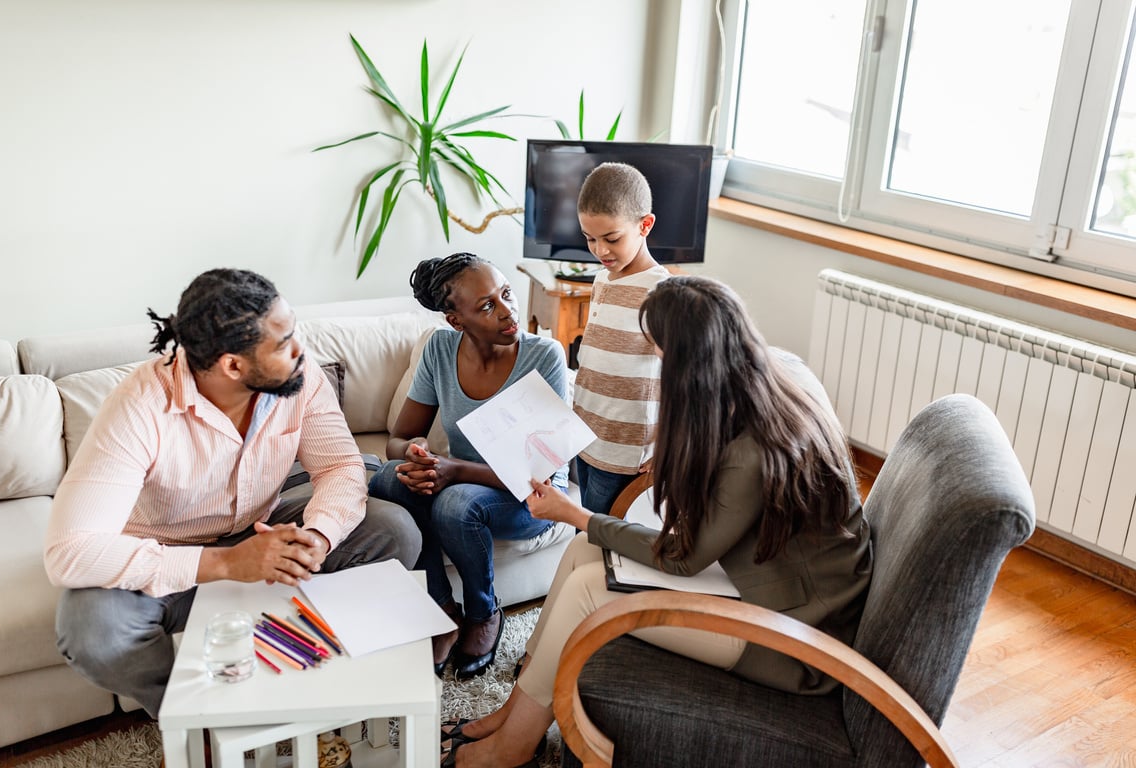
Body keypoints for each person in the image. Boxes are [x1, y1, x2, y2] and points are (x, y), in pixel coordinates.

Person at [441, 275, 874, 768]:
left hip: (792, 636)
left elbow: (683, 557)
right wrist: (586, 525)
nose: (657, 363)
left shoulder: (754, 446)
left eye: (661, 351)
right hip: (763, 587)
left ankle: (511, 747)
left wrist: (575, 513)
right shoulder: (756, 391)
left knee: (588, 587)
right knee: (585, 551)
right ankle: (518, 709)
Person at [44, 268, 421, 719]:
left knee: (394, 530)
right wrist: (225, 562)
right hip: (167, 552)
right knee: (92, 631)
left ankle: (315, 682)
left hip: (264, 523)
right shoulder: (139, 406)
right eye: (283, 343)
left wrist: (318, 536)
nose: (301, 350)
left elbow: (340, 465)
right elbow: (69, 552)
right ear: (233, 365)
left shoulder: (300, 376)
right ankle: (195, 719)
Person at [368, 253, 570, 681]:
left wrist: (453, 470)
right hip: (461, 477)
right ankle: (440, 611)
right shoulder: (441, 350)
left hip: (532, 495)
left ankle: (483, 612)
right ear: (456, 321)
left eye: (507, 295)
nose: (507, 311)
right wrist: (417, 455)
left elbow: (540, 474)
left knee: (456, 504)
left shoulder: (544, 357)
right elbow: (397, 440)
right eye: (486, 306)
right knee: (387, 479)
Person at [571, 162, 669, 516]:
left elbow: (681, 379)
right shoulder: (601, 280)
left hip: (624, 450)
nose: (600, 250)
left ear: (645, 225)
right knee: (587, 522)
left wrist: (669, 449)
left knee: (601, 536)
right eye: (590, 238)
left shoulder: (661, 292)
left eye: (611, 238)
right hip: (585, 436)